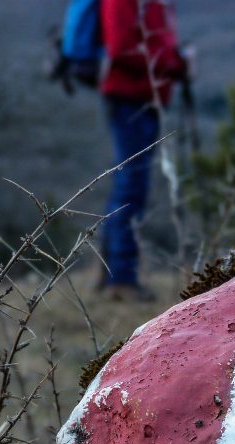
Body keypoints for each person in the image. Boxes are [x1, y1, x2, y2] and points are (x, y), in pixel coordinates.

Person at [99, 0, 187, 302]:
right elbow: (122, 48)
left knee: (129, 184)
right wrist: (174, 64)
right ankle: (120, 278)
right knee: (130, 186)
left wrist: (175, 61)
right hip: (130, 99)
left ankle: (113, 274)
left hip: (143, 99)